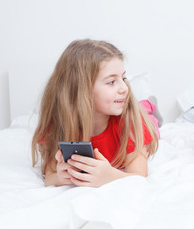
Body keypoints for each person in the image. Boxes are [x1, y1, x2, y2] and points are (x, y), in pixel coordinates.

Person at [32, 39, 161, 187]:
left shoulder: (132, 119)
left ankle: (149, 106)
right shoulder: (57, 125)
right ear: (81, 90)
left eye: (123, 78)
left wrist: (109, 176)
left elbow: (139, 176)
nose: (125, 88)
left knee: (149, 119)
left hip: (137, 116)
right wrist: (62, 177)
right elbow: (50, 178)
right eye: (112, 81)